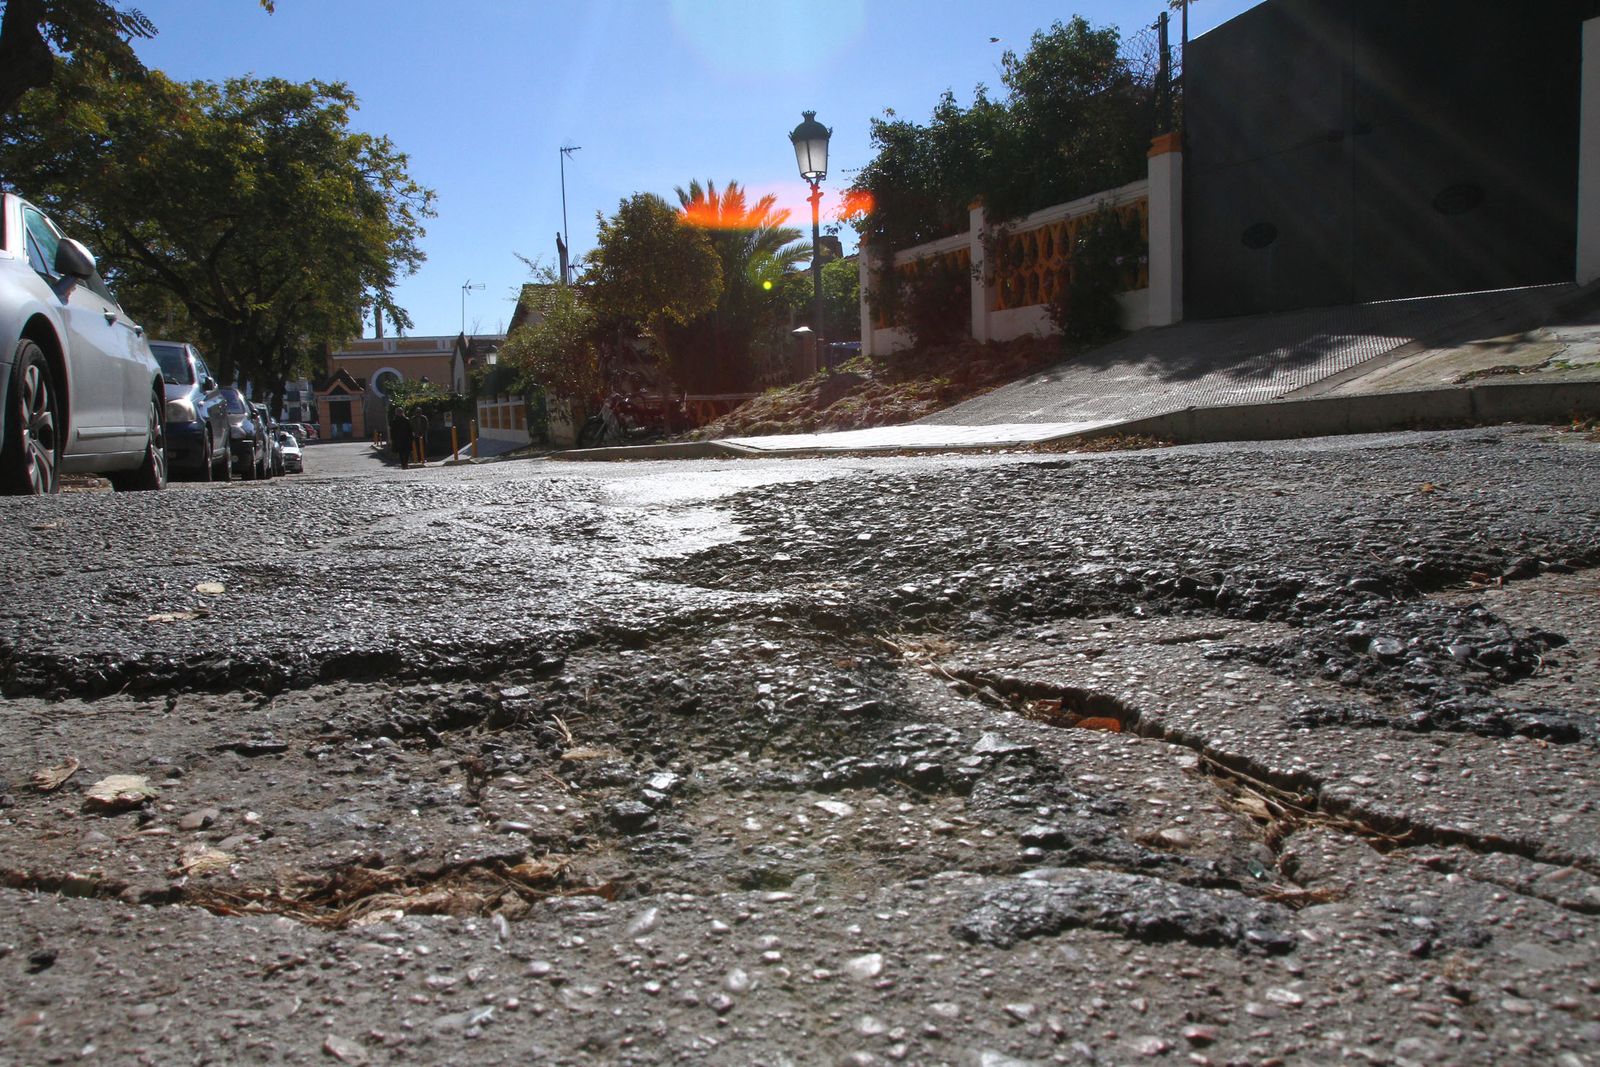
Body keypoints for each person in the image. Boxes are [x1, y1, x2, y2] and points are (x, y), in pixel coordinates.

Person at [388, 404, 412, 469]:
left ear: (402, 412)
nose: (399, 413)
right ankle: (403, 464)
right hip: (398, 439)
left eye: (400, 412)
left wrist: (411, 438)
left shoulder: (406, 420)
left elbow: (410, 429)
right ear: (396, 413)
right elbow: (392, 431)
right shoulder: (394, 421)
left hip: (406, 438)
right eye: (398, 412)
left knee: (407, 452)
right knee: (401, 452)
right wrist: (393, 439)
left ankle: (405, 464)